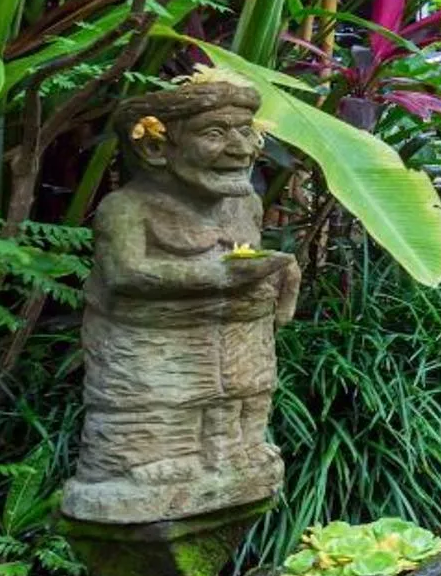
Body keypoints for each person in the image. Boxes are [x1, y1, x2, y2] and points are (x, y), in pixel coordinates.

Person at [64, 76, 299, 525]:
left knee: (246, 393)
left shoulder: (244, 204)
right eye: (215, 133)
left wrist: (282, 278)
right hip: (151, 341)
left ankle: (237, 451)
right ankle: (139, 461)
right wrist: (215, 277)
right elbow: (124, 273)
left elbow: (256, 260)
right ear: (156, 148)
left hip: (237, 335)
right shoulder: (128, 208)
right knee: (159, 401)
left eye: (247, 131)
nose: (241, 148)